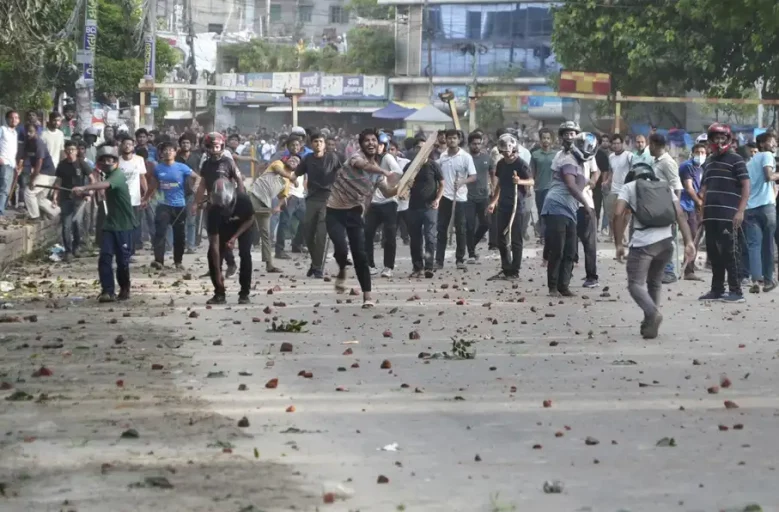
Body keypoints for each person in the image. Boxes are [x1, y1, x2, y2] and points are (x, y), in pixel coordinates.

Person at [613, 162, 695, 339]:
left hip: (643, 244)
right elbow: (680, 214)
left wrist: (619, 243)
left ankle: (652, 313)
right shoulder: (665, 186)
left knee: (635, 284)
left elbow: (618, 213)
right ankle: (650, 325)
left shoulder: (629, 187)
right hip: (666, 243)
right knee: (655, 282)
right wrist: (689, 241)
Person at [326, 129, 396, 308]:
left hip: (355, 213)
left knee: (360, 255)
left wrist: (402, 188)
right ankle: (342, 268)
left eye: (374, 140)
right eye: (367, 141)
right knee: (341, 249)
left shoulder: (378, 173)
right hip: (334, 211)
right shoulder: (355, 158)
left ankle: (367, 296)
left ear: (379, 145)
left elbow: (388, 192)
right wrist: (386, 172)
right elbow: (364, 166)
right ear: (361, 144)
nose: (371, 143)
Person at [72, 145, 136, 302]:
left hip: (124, 225)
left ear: (116, 162)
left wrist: (84, 186)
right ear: (99, 164)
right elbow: (101, 190)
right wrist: (84, 193)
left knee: (122, 261)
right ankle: (107, 291)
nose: (107, 163)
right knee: (105, 257)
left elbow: (106, 185)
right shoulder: (105, 176)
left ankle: (125, 287)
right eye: (104, 160)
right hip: (110, 224)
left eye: (110, 160)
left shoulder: (118, 175)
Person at [540, 122, 596, 297]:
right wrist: (586, 204)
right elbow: (571, 186)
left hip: (570, 209)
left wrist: (590, 182)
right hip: (556, 206)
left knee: (570, 250)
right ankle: (553, 287)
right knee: (558, 248)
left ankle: (564, 285)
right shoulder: (567, 159)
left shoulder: (580, 163)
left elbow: (585, 180)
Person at [698, 123, 750, 303]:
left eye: (722, 138)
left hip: (729, 216)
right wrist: (701, 213)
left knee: (731, 253)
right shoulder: (710, 162)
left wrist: (740, 211)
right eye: (716, 138)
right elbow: (704, 189)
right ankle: (717, 289)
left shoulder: (736, 160)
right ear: (711, 140)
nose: (719, 142)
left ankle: (736, 291)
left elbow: (746, 186)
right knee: (713, 254)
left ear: (727, 140)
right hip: (711, 216)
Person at [194, 132, 244, 278]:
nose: (215, 149)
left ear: (221, 146)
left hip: (227, 205)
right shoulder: (206, 164)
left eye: (217, 146)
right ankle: (215, 267)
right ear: (207, 148)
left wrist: (240, 199)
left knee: (222, 237)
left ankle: (231, 263)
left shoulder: (228, 162)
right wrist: (196, 203)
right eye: (211, 147)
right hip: (211, 204)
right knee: (212, 238)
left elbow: (239, 180)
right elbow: (202, 184)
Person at [486, 134, 534, 280]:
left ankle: (515, 270)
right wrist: (493, 201)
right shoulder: (501, 164)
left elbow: (531, 181)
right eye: (504, 151)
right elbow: (500, 183)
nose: (507, 154)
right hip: (503, 205)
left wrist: (519, 181)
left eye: (510, 151)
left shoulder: (521, 164)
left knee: (516, 239)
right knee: (500, 237)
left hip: (517, 205)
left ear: (514, 149)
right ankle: (506, 268)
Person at [144, 141, 198, 269]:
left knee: (179, 235)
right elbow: (153, 185)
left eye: (171, 150)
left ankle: (178, 261)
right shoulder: (158, 168)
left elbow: (198, 178)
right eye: (165, 150)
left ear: (175, 152)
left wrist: (195, 188)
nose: (168, 152)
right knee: (160, 232)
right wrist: (146, 198)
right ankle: (159, 261)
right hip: (163, 204)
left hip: (179, 205)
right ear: (161, 153)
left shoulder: (182, 167)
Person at [296, 132, 340, 278]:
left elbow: (341, 174)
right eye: (315, 141)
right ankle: (315, 263)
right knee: (308, 233)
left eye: (321, 141)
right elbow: (295, 174)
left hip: (328, 199)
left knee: (321, 234)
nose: (318, 144)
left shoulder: (332, 157)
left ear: (324, 144)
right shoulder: (307, 159)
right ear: (311, 144)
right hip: (312, 199)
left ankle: (318, 267)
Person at [206, 178, 255, 305]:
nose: (223, 207)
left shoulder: (243, 200)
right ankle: (219, 293)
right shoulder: (213, 211)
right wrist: (218, 273)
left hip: (244, 225)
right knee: (212, 255)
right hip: (225, 226)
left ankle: (244, 293)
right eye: (220, 205)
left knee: (245, 254)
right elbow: (214, 244)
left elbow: (250, 219)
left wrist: (234, 238)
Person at [250, 156, 300, 273]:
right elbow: (278, 171)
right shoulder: (278, 163)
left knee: (266, 234)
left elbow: (283, 197)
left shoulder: (287, 183)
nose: (293, 161)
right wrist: (293, 178)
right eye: (292, 159)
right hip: (254, 195)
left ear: (297, 167)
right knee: (245, 224)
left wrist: (278, 206)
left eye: (296, 162)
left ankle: (269, 265)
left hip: (265, 204)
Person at [436, 129, 477, 270]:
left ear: (458, 140)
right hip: (445, 197)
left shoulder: (465, 157)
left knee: (460, 229)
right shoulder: (442, 156)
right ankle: (439, 260)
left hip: (460, 198)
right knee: (441, 229)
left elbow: (473, 176)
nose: (452, 140)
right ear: (445, 140)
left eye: (454, 138)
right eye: (449, 138)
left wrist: (461, 182)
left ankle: (460, 259)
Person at [743, 131, 778, 293]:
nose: (774, 144)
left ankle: (756, 280)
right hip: (766, 208)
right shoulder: (766, 156)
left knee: (754, 245)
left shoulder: (750, 162)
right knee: (767, 244)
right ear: (762, 144)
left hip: (750, 208)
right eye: (772, 141)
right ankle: (769, 280)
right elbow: (769, 176)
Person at [365, 132, 403, 278]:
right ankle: (370, 265)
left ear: (385, 146)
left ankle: (388, 266)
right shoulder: (366, 159)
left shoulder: (387, 158)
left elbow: (398, 173)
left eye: (380, 144)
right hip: (372, 202)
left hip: (388, 202)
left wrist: (386, 180)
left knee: (390, 235)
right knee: (367, 233)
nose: (377, 147)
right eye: (375, 144)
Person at [648, 133, 684, 284]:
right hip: (656, 206)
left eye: (649, 144)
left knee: (666, 240)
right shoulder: (656, 161)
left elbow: (677, 186)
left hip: (666, 207)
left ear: (655, 145)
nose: (648, 147)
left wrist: (675, 211)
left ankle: (669, 271)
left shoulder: (667, 162)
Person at [52, 140, 92, 261]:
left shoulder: (82, 164)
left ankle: (76, 248)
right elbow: (58, 182)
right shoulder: (62, 165)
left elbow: (92, 179)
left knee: (77, 224)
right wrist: (55, 196)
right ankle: (68, 251)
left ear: (76, 151)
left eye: (73, 150)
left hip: (79, 199)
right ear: (65, 151)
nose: (70, 152)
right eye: (68, 150)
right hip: (65, 198)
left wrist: (89, 192)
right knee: (66, 225)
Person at [678, 143, 707, 280]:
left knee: (695, 237)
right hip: (685, 206)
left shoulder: (701, 168)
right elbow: (689, 188)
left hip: (694, 207)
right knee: (690, 237)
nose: (700, 155)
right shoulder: (687, 166)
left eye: (702, 152)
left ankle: (688, 267)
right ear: (692, 153)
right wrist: (699, 201)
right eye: (697, 152)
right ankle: (687, 270)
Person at [23, 123, 60, 221]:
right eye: (26, 131)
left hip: (47, 173)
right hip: (44, 173)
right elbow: (25, 157)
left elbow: (39, 162)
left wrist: (32, 179)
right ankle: (57, 211)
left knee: (29, 192)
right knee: (40, 199)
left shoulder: (39, 143)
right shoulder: (28, 143)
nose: (28, 133)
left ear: (36, 132)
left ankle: (35, 216)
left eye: (30, 131)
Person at [117, 134, 147, 255]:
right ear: (121, 146)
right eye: (125, 144)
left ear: (133, 146)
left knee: (134, 224)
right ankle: (123, 248)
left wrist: (147, 194)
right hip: (120, 198)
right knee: (122, 225)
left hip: (135, 198)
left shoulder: (139, 160)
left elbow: (142, 178)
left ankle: (132, 249)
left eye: (130, 144)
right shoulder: (117, 161)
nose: (127, 146)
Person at [465, 132, 492, 263]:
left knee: (486, 223)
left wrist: (494, 187)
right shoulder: (465, 158)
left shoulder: (487, 158)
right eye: (474, 144)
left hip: (483, 196)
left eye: (479, 143)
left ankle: (471, 244)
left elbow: (493, 173)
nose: (476, 146)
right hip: (467, 196)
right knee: (470, 225)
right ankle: (471, 253)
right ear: (469, 144)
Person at [603, 134, 633, 243]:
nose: (616, 145)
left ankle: (621, 235)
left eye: (618, 143)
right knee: (611, 214)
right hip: (614, 189)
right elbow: (612, 172)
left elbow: (634, 168)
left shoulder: (629, 155)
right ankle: (614, 234)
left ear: (622, 143)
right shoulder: (611, 157)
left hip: (626, 190)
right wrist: (607, 181)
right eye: (614, 143)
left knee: (626, 214)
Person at [176, 132, 202, 253]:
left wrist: (198, 189)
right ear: (180, 144)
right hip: (177, 192)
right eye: (183, 143)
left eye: (188, 143)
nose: (185, 145)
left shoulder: (196, 157)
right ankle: (179, 245)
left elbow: (200, 175)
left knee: (191, 220)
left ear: (191, 145)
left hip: (192, 193)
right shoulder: (175, 158)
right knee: (178, 220)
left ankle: (191, 246)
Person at [531, 128, 556, 245]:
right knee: (542, 212)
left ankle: (550, 235)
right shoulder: (535, 155)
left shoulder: (556, 155)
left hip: (553, 188)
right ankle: (542, 235)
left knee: (551, 213)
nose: (546, 140)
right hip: (539, 188)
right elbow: (532, 173)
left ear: (551, 140)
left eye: (548, 138)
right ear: (540, 140)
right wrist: (529, 187)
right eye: (543, 138)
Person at [0, 110, 20, 218]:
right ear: (7, 119)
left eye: (16, 118)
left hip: (11, 164)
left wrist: (16, 165)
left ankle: (1, 210)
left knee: (7, 190)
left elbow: (12, 150)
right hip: (4, 162)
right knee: (3, 188)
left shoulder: (15, 133)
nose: (14, 120)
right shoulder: (2, 130)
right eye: (12, 117)